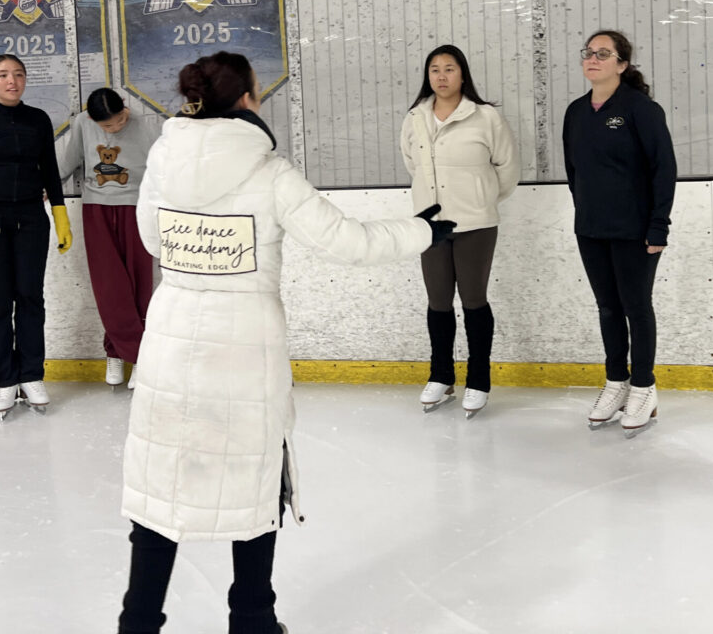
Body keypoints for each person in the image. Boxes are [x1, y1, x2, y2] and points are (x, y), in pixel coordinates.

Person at [119, 51, 454, 634]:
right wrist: (423, 230)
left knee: (161, 487)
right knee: (254, 486)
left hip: (171, 344)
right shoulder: (269, 172)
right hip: (244, 351)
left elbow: (152, 238)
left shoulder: (163, 159)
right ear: (247, 98)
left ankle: (138, 622)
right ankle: (252, 619)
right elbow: (346, 242)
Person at [563, 30, 676, 436]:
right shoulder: (576, 112)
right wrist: (587, 211)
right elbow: (574, 171)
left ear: (622, 64)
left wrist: (658, 224)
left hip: (636, 229)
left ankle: (644, 386)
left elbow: (664, 169)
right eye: (588, 53)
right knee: (607, 307)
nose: (593, 59)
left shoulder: (640, 109)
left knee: (635, 306)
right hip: (591, 228)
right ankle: (616, 382)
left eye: (603, 54)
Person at [400, 44, 520, 416]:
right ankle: (441, 375)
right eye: (434, 69)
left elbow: (507, 169)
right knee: (438, 301)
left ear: (462, 74)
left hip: (476, 224)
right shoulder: (415, 118)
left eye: (449, 69)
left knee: (473, 300)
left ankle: (479, 379)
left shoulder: (484, 117)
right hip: (431, 225)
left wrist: (479, 200)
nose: (441, 76)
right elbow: (412, 164)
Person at [0, 53, 72, 415]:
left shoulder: (38, 120)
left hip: (30, 221)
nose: (12, 81)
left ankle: (31, 375)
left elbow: (51, 171)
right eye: (3, 75)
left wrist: (60, 214)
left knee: (30, 298)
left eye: (18, 75)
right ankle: (5, 380)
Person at [59, 87, 159, 389]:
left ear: (125, 108)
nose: (114, 129)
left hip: (136, 208)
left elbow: (164, 168)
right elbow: (69, 160)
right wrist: (47, 187)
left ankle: (136, 356)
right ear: (92, 119)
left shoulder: (148, 125)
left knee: (139, 283)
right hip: (97, 208)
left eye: (119, 121)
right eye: (107, 126)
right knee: (109, 286)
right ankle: (123, 353)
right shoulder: (82, 124)